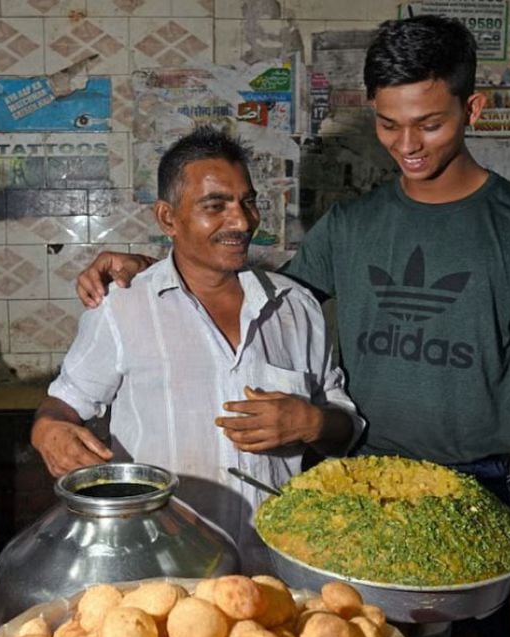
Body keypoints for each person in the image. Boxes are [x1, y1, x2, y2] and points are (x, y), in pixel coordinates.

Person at [73, 15, 510, 637]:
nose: (406, 145)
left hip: (476, 495)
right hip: (352, 498)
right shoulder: (351, 226)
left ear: (473, 108)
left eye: (429, 124)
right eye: (388, 124)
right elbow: (255, 294)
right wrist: (157, 263)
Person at [30, 127, 361, 568]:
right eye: (215, 205)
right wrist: (46, 431)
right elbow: (63, 407)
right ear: (168, 218)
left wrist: (312, 422)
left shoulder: (295, 306)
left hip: (280, 568)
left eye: (247, 201)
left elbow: (346, 428)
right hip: (163, 570)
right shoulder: (123, 307)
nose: (242, 222)